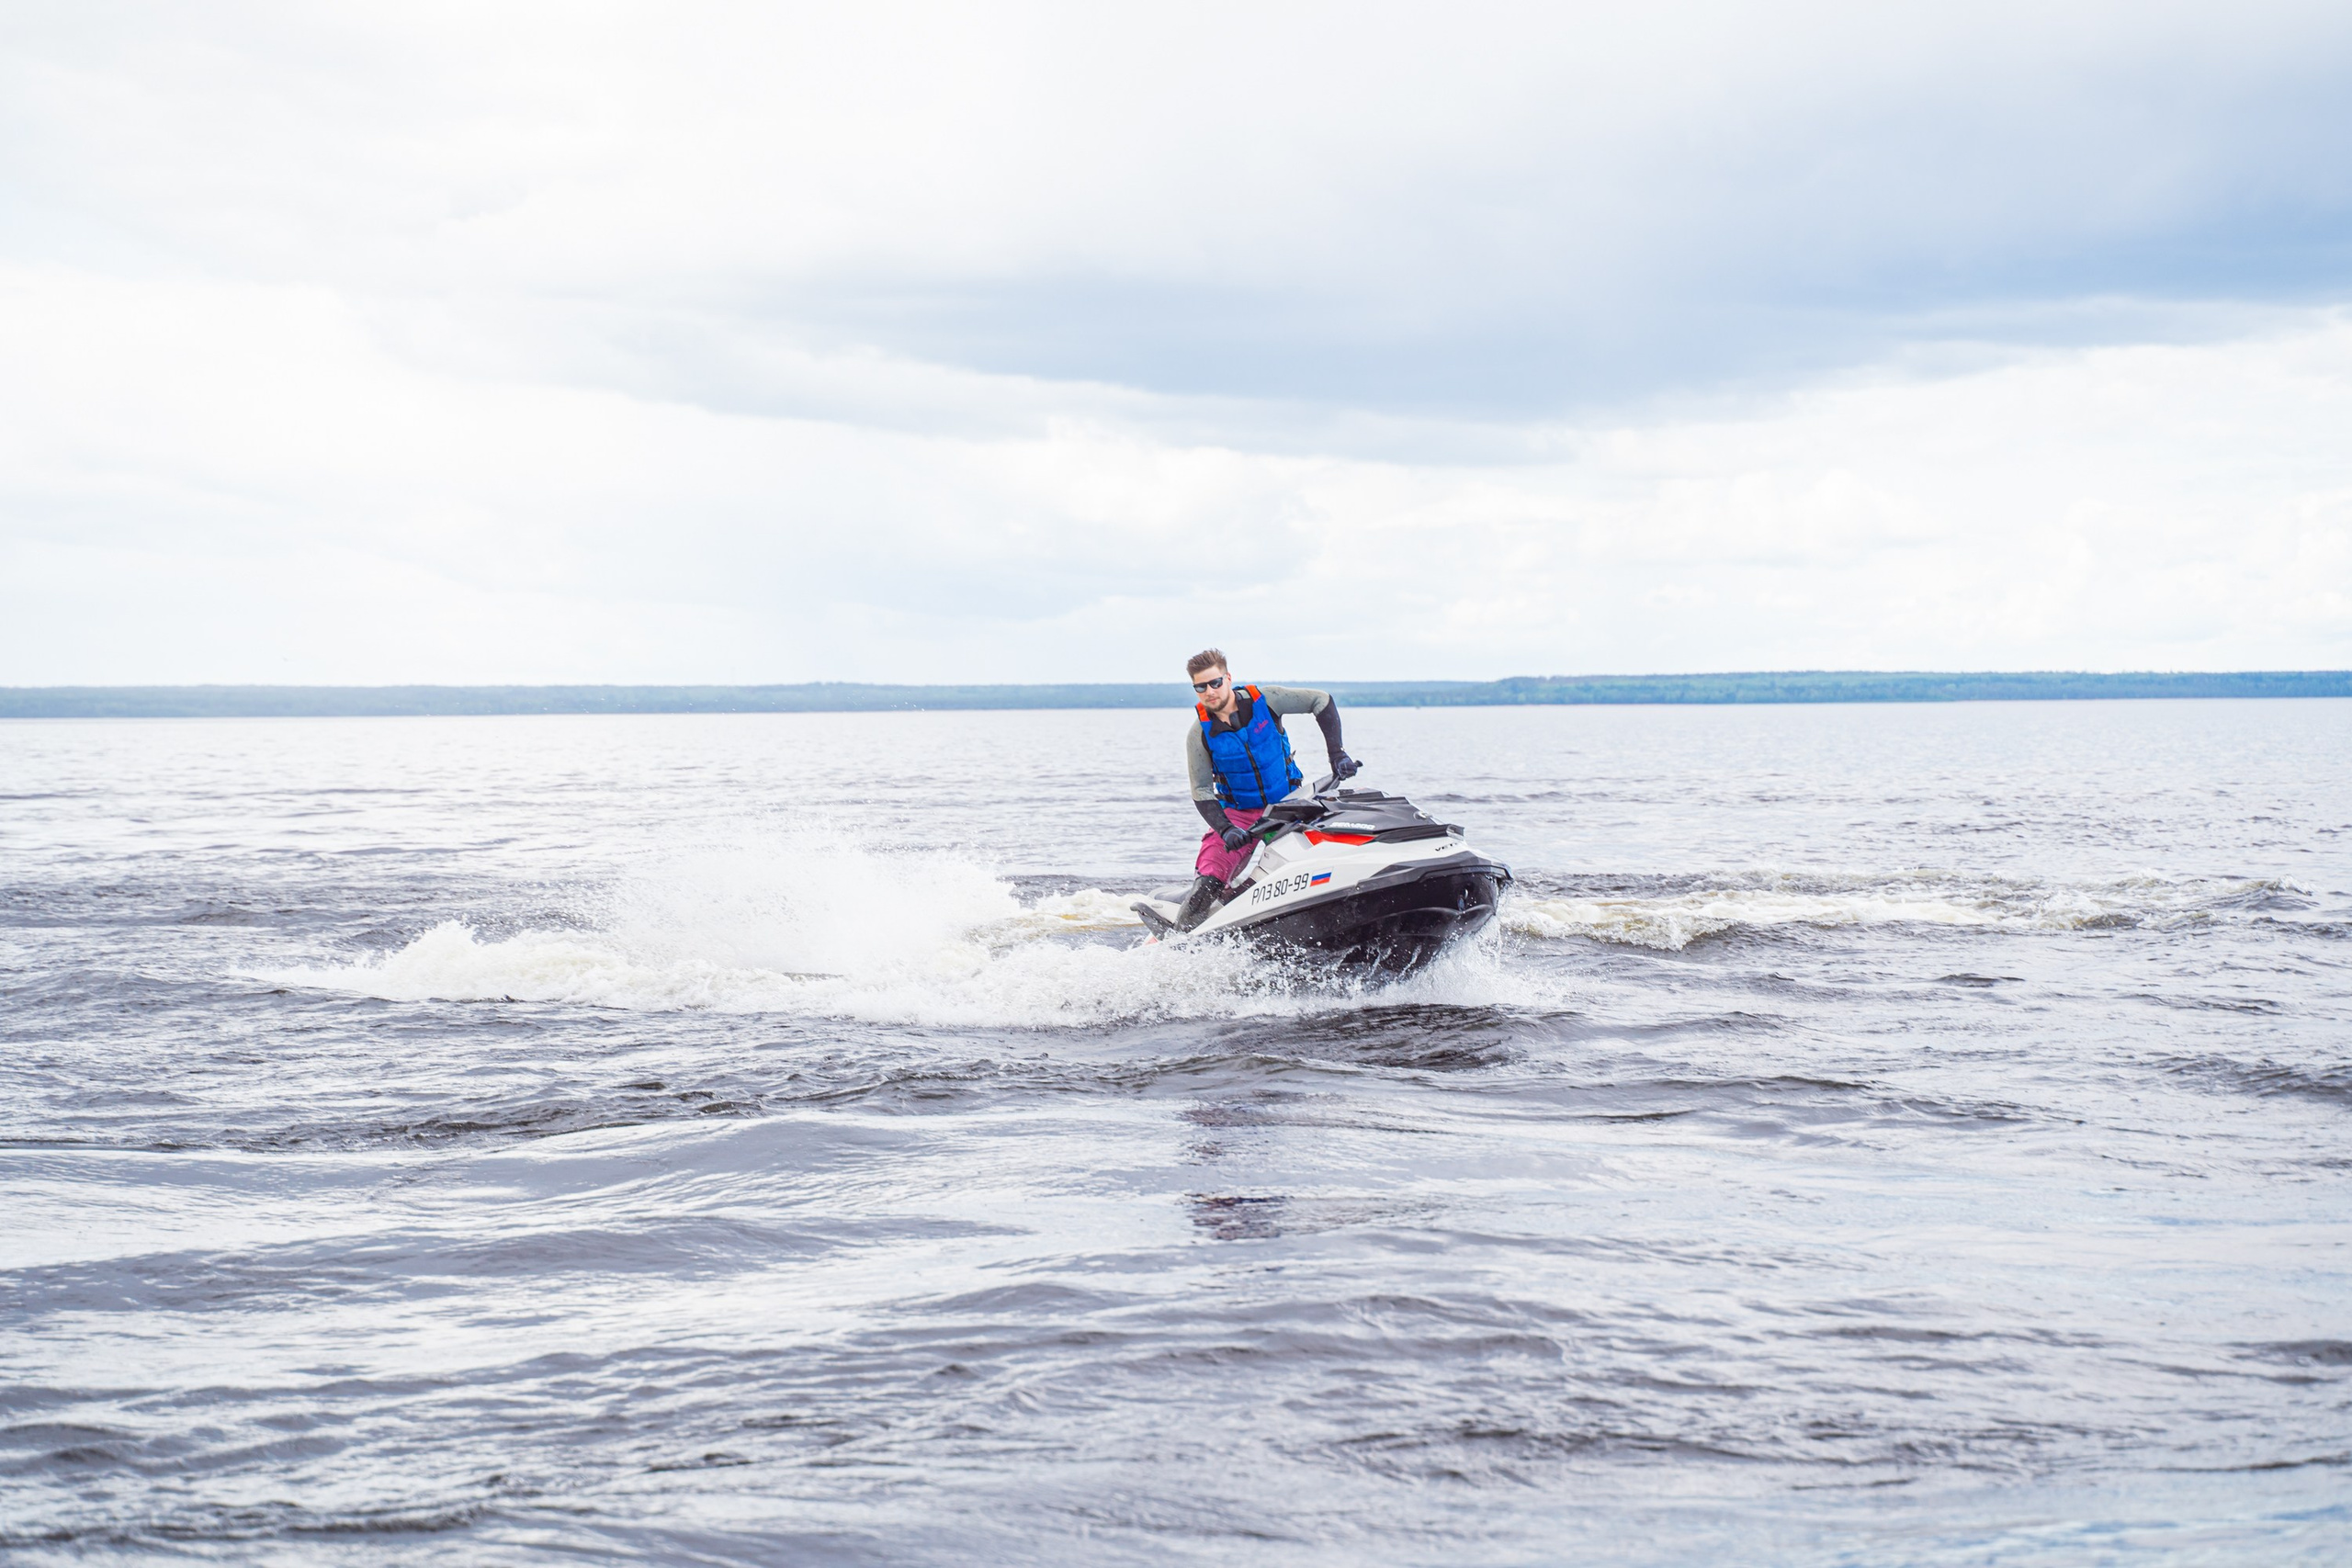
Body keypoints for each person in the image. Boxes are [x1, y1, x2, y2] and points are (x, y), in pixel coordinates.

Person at [1170, 649, 1360, 931]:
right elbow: (1201, 792)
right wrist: (1225, 829)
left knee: (1324, 861)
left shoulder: (1267, 700)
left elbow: (1321, 700)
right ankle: (1180, 941)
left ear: (1228, 678)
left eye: (1215, 682)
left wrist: (1337, 754)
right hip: (1239, 817)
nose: (1209, 691)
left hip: (1290, 807)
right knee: (1206, 885)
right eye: (1201, 686)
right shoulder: (1199, 734)